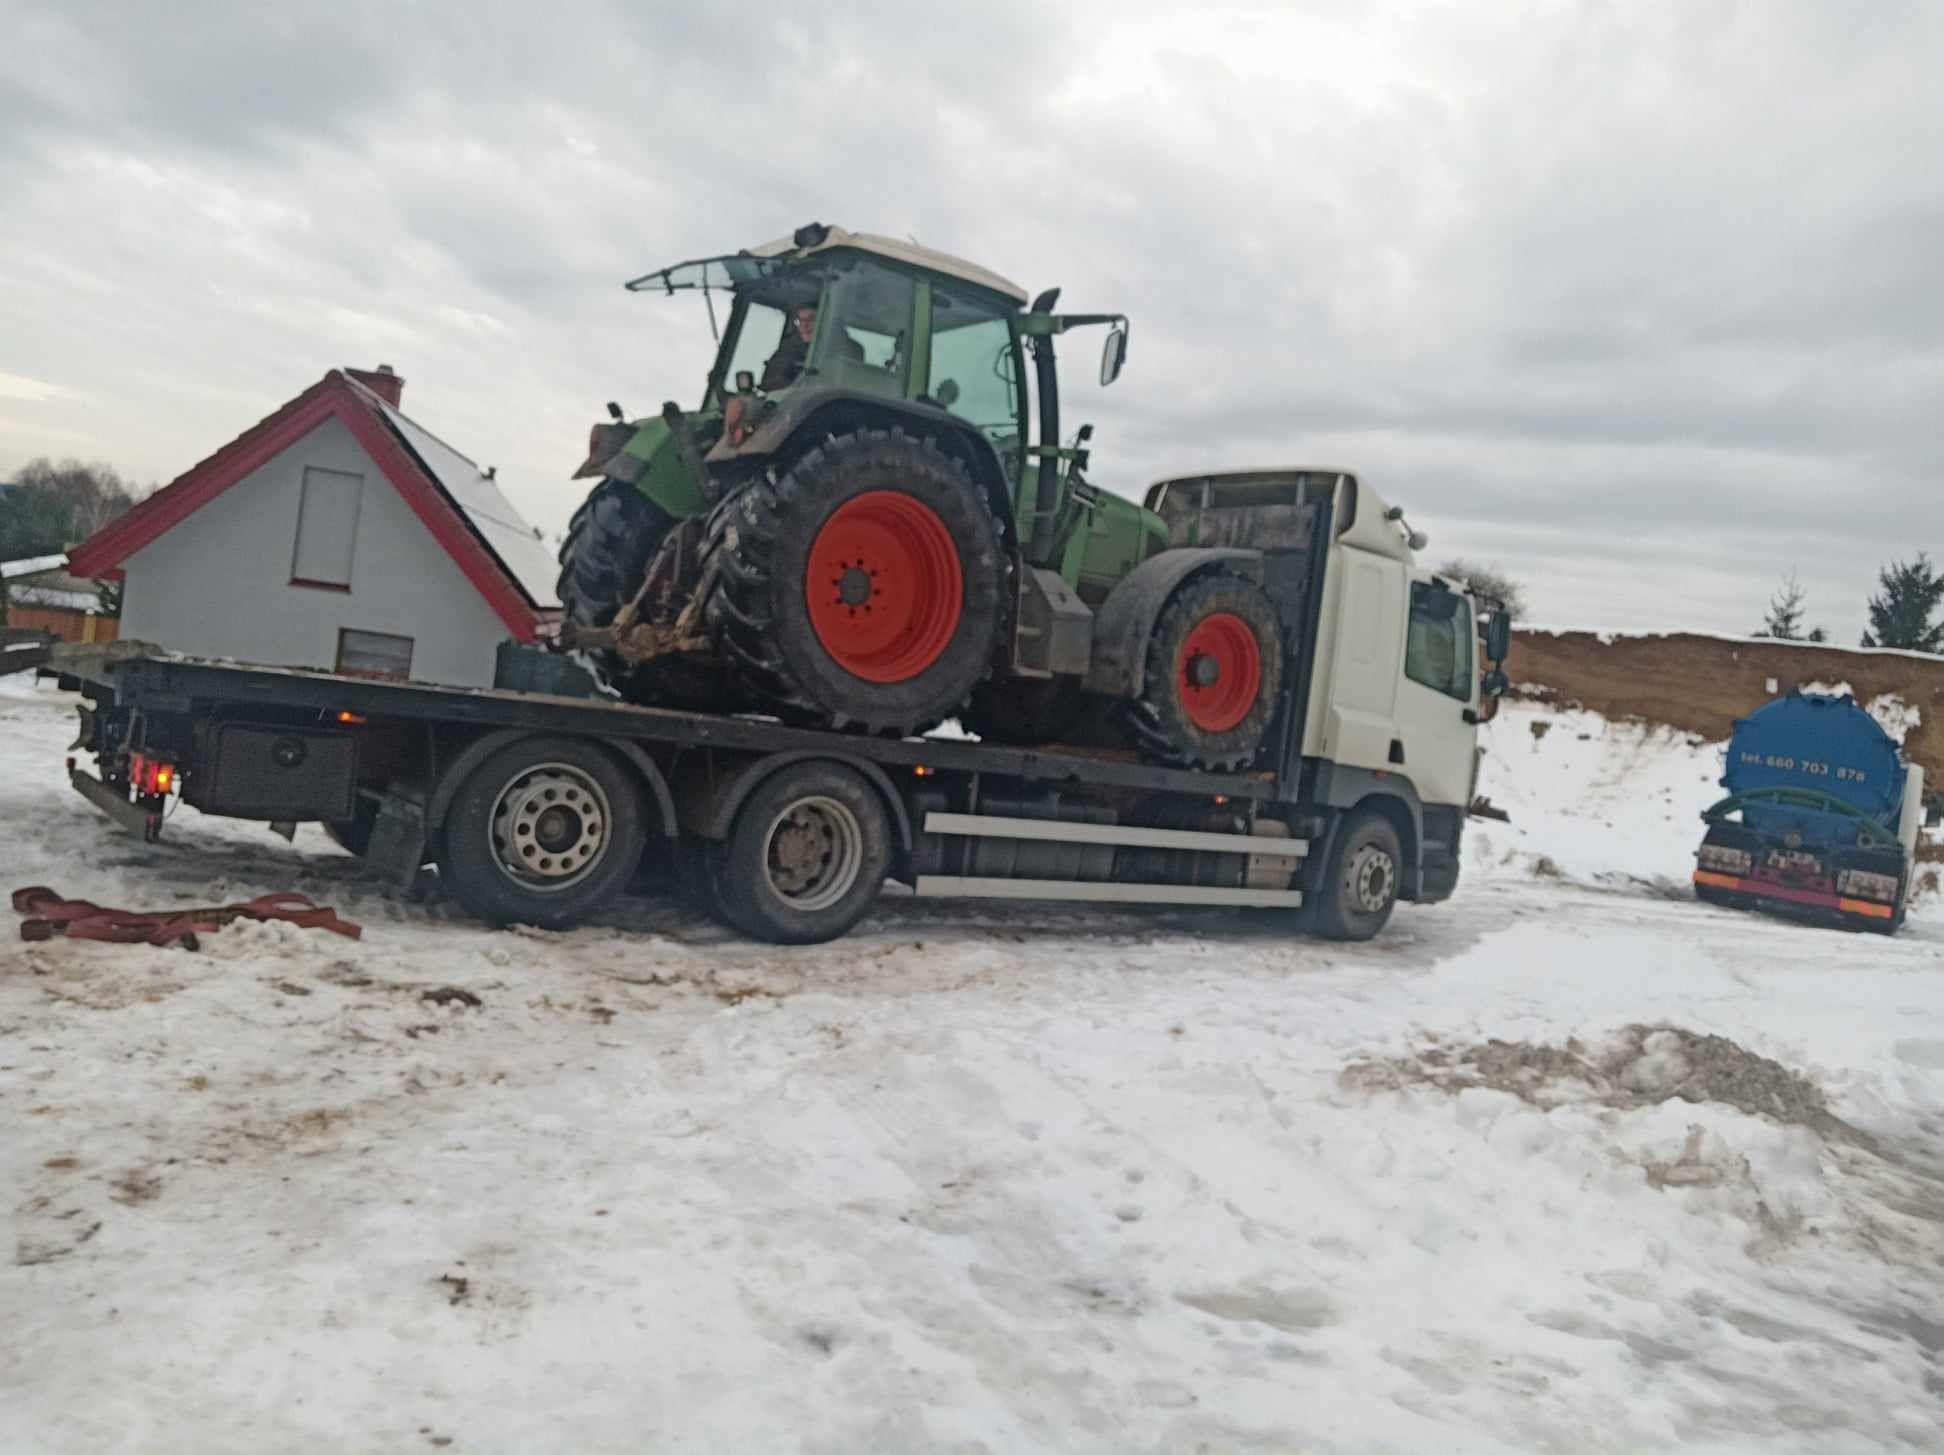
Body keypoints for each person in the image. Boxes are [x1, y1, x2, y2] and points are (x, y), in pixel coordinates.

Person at [759, 303, 863, 391]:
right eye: (799, 320)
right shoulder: (790, 345)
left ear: (827, 321)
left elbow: (843, 386)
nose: (804, 325)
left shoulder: (849, 349)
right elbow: (771, 380)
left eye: (811, 319)